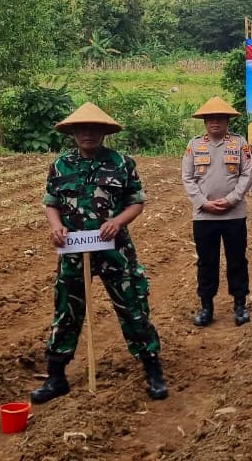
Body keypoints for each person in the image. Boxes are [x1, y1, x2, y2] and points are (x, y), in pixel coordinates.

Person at [31, 103, 168, 403]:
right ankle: (56, 375)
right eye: (82, 129)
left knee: (133, 305)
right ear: (73, 133)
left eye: (94, 129)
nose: (88, 134)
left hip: (115, 250)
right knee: (67, 310)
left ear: (104, 132)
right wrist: (56, 227)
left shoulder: (122, 163)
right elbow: (51, 203)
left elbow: (136, 202)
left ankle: (152, 368)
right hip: (73, 250)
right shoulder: (60, 165)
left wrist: (117, 222)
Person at [182, 96, 252, 327]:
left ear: (227, 121)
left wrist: (231, 199)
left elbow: (247, 174)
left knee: (237, 260)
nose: (215, 122)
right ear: (204, 122)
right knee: (207, 262)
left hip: (234, 214)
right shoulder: (194, 145)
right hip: (204, 216)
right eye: (210, 118)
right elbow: (187, 178)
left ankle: (240, 304)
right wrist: (203, 203)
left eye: (220, 118)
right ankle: (207, 307)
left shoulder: (239, 143)